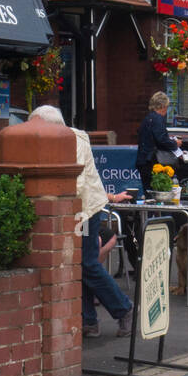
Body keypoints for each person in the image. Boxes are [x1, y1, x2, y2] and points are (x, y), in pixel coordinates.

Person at [28, 105, 133, 338]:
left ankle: (124, 309)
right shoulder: (54, 140)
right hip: (75, 211)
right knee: (80, 265)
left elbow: (72, 180)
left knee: (86, 263)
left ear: (52, 126)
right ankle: (88, 321)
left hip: (84, 211)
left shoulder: (73, 141)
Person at [135, 91, 181, 196]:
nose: (167, 110)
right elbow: (161, 139)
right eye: (167, 106)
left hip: (143, 161)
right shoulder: (158, 119)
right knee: (158, 193)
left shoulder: (147, 118)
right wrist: (175, 143)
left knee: (148, 193)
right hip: (152, 162)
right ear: (162, 106)